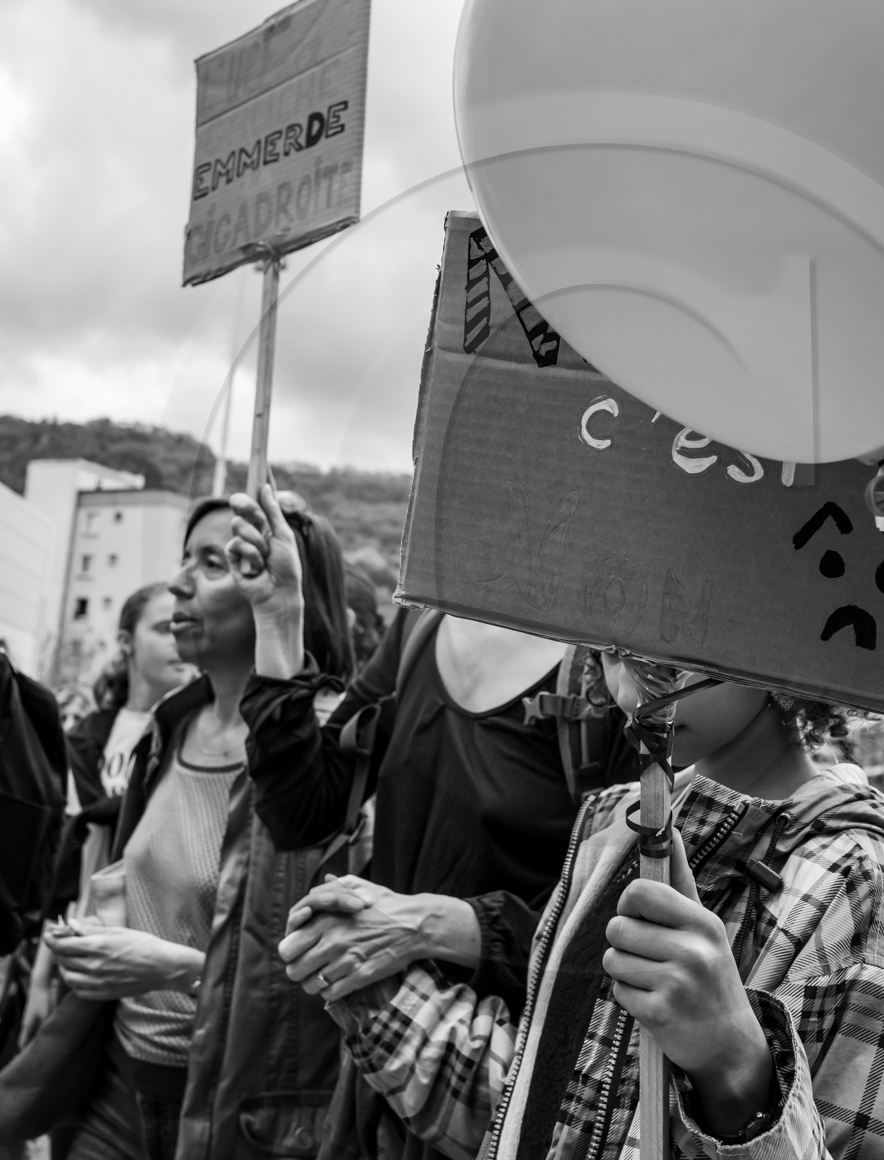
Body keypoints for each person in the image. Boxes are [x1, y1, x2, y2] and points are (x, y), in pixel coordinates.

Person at [281, 657, 884, 1160]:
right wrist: (373, 985)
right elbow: (549, 1110)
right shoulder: (612, 825)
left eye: (675, 651)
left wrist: (738, 1070)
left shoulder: (860, 880)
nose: (633, 688)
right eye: (612, 647)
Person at [229, 491, 638, 1160]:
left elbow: (612, 935)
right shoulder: (422, 621)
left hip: (502, 1090)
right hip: (380, 1067)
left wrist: (430, 925)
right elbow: (302, 811)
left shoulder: (616, 671)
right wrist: (279, 617)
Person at [43, 491, 355, 1160]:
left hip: (232, 1111)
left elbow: (324, 983)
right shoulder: (172, 724)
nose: (178, 581)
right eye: (185, 557)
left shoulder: (326, 756)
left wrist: (177, 967)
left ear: (279, 589)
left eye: (215, 562)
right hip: (117, 1084)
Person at [20, 584, 195, 1049]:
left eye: (183, 625)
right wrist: (42, 975)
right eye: (164, 628)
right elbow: (67, 867)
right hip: (81, 945)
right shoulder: (85, 738)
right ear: (125, 643)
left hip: (155, 957)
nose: (179, 639)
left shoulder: (194, 737)